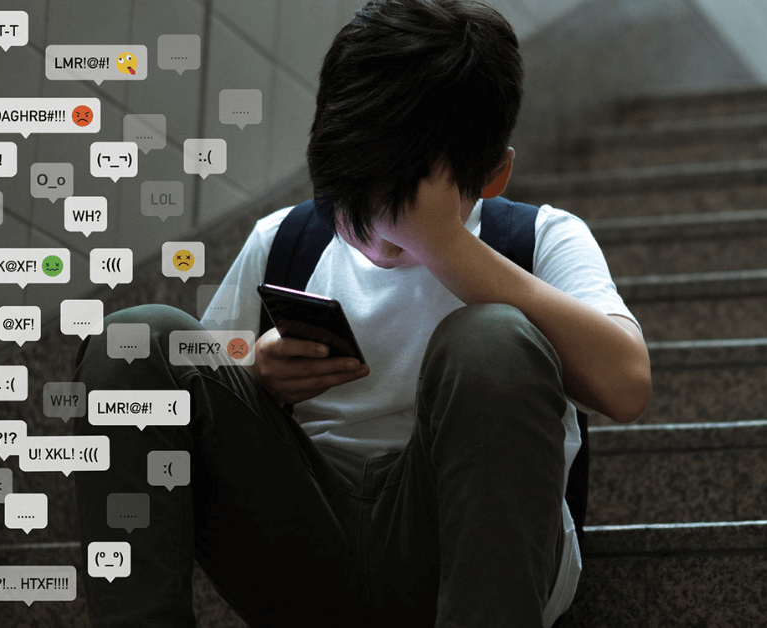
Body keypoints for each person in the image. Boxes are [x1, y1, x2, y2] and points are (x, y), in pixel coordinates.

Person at [73, 1, 650, 626]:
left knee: (493, 340)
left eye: (405, 221)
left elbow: (625, 385)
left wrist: (450, 250)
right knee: (136, 338)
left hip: (472, 555)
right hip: (304, 548)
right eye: (354, 209)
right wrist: (254, 374)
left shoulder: (540, 241)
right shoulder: (288, 241)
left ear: (493, 175)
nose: (376, 242)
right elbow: (192, 408)